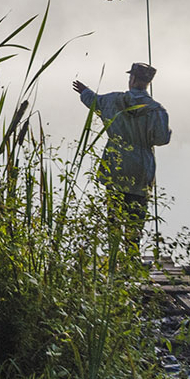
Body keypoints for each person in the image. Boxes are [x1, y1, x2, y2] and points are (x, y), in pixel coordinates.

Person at [72, 62, 171, 257]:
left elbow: (94, 102)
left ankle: (114, 258)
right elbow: (162, 139)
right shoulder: (157, 110)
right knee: (135, 217)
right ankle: (131, 257)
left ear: (132, 79)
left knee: (114, 216)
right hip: (141, 170)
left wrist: (84, 91)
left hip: (116, 167)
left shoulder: (113, 101)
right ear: (148, 83)